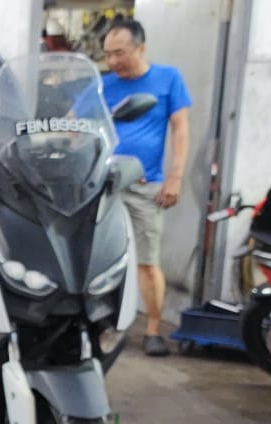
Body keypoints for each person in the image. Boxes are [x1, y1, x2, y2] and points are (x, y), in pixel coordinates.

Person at [101, 19, 191, 357]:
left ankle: (152, 329)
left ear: (141, 48)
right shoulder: (102, 85)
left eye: (119, 53)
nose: (113, 62)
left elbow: (180, 128)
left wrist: (175, 177)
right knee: (100, 260)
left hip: (144, 185)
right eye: (107, 55)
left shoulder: (168, 79)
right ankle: (101, 324)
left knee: (147, 262)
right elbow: (73, 123)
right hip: (104, 184)